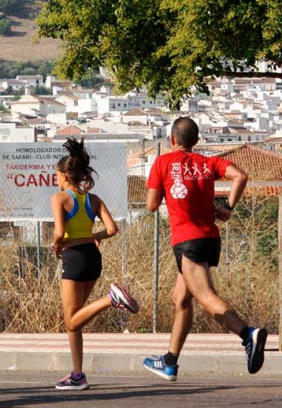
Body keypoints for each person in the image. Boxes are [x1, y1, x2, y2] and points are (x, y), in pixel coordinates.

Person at [143, 117, 266, 381]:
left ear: (172, 140)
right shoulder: (207, 162)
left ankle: (248, 335)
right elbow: (240, 176)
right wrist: (228, 207)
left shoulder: (162, 162)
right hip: (210, 238)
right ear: (196, 141)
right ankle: (170, 361)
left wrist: (166, 190)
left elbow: (151, 205)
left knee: (206, 296)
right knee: (181, 299)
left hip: (187, 241)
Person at [51, 138, 139, 391]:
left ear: (65, 176)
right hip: (92, 256)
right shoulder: (94, 199)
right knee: (75, 318)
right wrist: (95, 237)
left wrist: (56, 245)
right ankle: (77, 374)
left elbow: (58, 232)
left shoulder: (59, 198)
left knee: (71, 321)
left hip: (74, 257)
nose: (55, 180)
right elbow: (112, 229)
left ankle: (110, 299)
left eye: (57, 175)